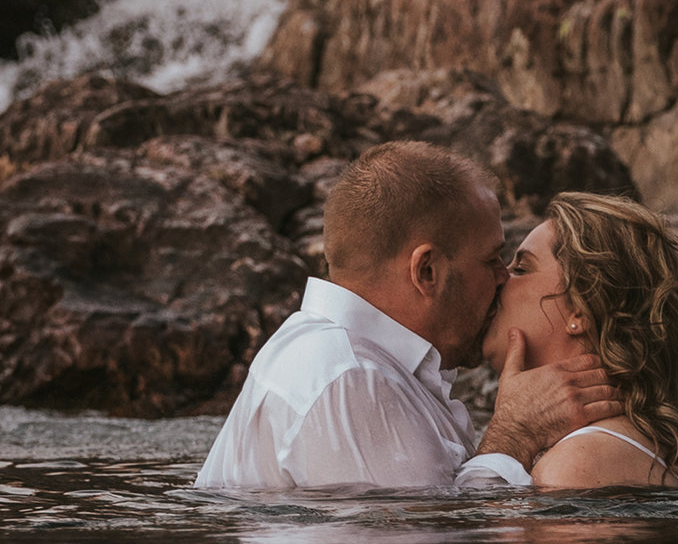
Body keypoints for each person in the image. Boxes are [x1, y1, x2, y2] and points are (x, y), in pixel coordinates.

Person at [194, 139, 617, 495]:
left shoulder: (360, 364)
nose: (502, 278)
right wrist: (515, 434)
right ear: (427, 271)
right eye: (491, 260)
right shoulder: (351, 379)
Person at [494, 192, 678, 490]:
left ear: (582, 307)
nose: (500, 279)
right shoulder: (620, 443)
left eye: (522, 269)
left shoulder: (578, 464)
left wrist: (509, 438)